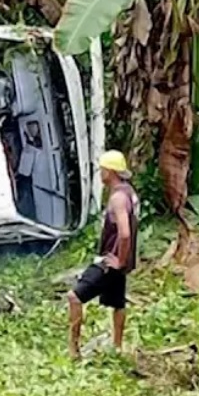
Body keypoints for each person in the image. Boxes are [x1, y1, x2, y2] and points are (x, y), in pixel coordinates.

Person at [69, 150, 139, 359]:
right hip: (120, 260)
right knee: (118, 302)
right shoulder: (129, 192)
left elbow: (124, 233)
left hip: (110, 260)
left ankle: (74, 349)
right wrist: (124, 261)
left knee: (74, 297)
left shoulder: (117, 198)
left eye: (102, 169)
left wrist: (119, 260)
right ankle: (117, 346)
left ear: (110, 171)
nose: (100, 173)